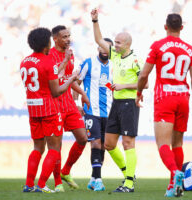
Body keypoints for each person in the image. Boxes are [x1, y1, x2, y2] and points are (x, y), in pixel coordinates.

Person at [136, 13, 192, 197]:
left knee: (163, 143)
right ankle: (173, 186)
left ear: (165, 26)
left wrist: (138, 93)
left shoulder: (158, 46)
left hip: (164, 97)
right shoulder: (191, 50)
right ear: (182, 28)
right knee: (177, 143)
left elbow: (144, 74)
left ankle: (175, 173)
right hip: (183, 98)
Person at [91, 8, 147, 193]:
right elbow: (99, 40)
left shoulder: (135, 60)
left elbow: (144, 85)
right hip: (115, 104)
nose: (114, 45)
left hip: (129, 104)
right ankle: (128, 172)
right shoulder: (115, 55)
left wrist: (125, 86)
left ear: (128, 44)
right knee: (108, 144)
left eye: (118, 42)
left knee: (128, 143)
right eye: (114, 42)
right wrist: (95, 21)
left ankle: (129, 183)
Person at [21, 27, 78, 193]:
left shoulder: (25, 61)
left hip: (33, 109)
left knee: (37, 147)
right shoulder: (48, 62)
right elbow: (57, 91)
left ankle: (29, 185)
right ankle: (42, 184)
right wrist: (71, 79)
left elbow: (46, 74)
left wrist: (64, 63)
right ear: (46, 44)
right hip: (49, 110)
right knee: (54, 148)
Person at [49, 25, 90, 192]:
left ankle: (65, 171)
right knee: (56, 146)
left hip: (69, 104)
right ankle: (58, 182)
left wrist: (82, 93)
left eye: (69, 36)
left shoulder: (70, 54)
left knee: (83, 138)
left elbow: (69, 78)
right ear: (55, 39)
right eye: (64, 36)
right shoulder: (50, 55)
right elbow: (55, 77)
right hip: (55, 104)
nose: (68, 39)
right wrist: (65, 60)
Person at [73, 38, 114, 191]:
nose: (104, 50)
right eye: (102, 47)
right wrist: (77, 103)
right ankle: (98, 180)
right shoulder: (88, 63)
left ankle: (93, 178)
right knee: (95, 143)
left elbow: (111, 86)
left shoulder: (114, 66)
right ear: (97, 47)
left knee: (103, 145)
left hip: (109, 112)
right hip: (91, 110)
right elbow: (76, 82)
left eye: (107, 48)